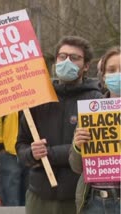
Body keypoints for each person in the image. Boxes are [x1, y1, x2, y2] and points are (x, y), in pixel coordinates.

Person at [15, 35, 102, 214]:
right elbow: (20, 147)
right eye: (62, 57)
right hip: (39, 197)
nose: (67, 61)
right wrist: (31, 153)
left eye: (74, 58)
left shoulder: (96, 101)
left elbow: (96, 151)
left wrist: (50, 153)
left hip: (78, 198)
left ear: (86, 66)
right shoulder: (37, 99)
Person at [69, 46, 120, 214]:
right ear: (104, 77)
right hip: (94, 202)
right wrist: (78, 145)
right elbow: (76, 167)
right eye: (112, 70)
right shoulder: (91, 113)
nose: (117, 74)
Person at [0, 112, 27, 206]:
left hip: (29, 150)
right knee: (11, 194)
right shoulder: (7, 99)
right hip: (11, 150)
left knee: (28, 194)